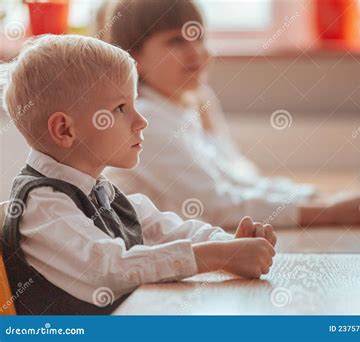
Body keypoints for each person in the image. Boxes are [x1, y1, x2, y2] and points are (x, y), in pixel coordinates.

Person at [1, 34, 276, 315]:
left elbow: (165, 229)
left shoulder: (101, 192)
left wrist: (230, 244)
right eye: (121, 108)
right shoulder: (42, 206)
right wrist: (215, 256)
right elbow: (108, 269)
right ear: (64, 130)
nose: (141, 121)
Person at [103, 0, 360, 229]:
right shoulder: (145, 121)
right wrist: (329, 212)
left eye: (198, 36)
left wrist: (313, 196)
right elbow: (217, 206)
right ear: (133, 58)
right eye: (176, 41)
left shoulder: (192, 103)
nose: (196, 52)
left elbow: (238, 178)